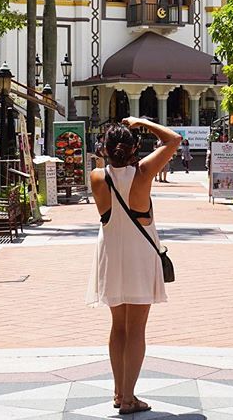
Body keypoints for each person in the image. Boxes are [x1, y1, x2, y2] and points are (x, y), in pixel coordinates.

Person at [87, 116, 181, 416]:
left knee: (118, 326)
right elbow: (173, 140)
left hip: (111, 253)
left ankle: (119, 392)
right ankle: (128, 399)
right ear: (134, 148)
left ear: (105, 149)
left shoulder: (97, 177)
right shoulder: (143, 173)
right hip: (140, 254)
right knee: (137, 328)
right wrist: (142, 121)